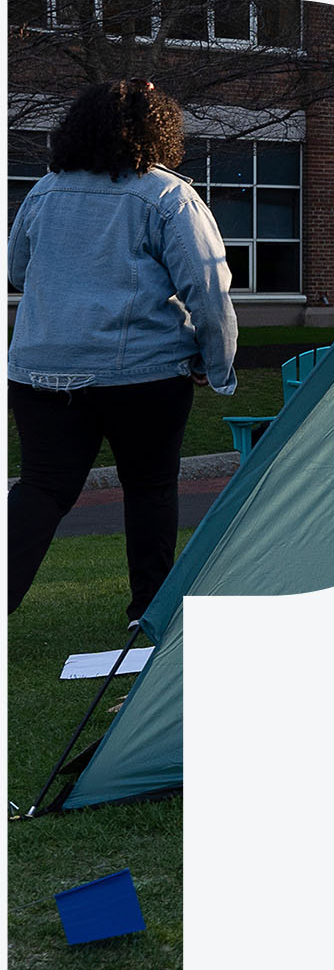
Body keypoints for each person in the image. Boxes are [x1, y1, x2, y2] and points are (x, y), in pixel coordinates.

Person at [8, 78, 237, 625]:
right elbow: (208, 290)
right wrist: (217, 365)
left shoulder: (45, 190)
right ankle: (148, 612)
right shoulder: (167, 195)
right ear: (159, 132)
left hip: (42, 368)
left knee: (41, 489)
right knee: (151, 487)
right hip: (145, 374)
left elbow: (16, 270)